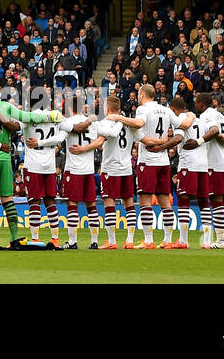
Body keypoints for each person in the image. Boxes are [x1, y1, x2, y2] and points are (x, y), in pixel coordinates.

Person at [0, 86, 60, 249]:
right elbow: (26, 116)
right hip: (6, 159)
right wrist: (50, 116)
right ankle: (13, 238)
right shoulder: (6, 106)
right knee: (8, 199)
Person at [93, 96, 143, 249]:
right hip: (127, 168)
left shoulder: (104, 123)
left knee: (110, 203)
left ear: (107, 109)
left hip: (110, 168)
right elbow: (142, 138)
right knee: (129, 202)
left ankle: (112, 241)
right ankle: (129, 240)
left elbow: (100, 143)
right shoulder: (129, 124)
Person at [134, 83, 178, 248]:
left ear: (143, 94)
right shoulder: (166, 109)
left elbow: (139, 124)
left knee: (145, 200)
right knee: (165, 202)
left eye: (139, 94)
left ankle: (148, 240)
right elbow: (180, 126)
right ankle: (167, 240)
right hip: (164, 161)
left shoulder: (143, 110)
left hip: (148, 161)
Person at [20, 109, 66, 247]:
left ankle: (35, 240)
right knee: (50, 202)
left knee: (34, 202)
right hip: (49, 166)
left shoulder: (27, 117)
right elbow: (61, 137)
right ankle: (55, 239)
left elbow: (15, 126)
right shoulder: (55, 117)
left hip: (33, 166)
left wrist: (38, 142)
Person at [196, 93, 224, 248]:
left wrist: (199, 142)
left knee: (216, 201)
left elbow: (214, 132)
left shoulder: (206, 116)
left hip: (214, 163)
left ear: (200, 104)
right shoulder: (221, 116)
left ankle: (220, 240)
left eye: (196, 102)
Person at [171, 96, 210, 249]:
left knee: (183, 200)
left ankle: (183, 240)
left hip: (188, 164)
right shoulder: (201, 120)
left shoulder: (179, 119)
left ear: (173, 109)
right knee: (203, 202)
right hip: (203, 165)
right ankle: (207, 241)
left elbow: (178, 137)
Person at [60, 113, 103, 249]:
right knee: (91, 205)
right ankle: (94, 241)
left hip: (73, 169)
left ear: (69, 108)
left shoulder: (67, 121)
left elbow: (62, 138)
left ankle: (72, 242)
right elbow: (101, 142)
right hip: (89, 169)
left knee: (72, 204)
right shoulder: (94, 124)